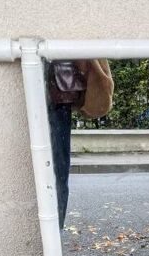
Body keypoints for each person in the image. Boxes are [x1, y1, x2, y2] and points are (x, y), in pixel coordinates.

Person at [47, 59, 114, 228]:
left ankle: (55, 237)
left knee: (56, 172)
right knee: (56, 172)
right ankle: (55, 236)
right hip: (56, 89)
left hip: (56, 90)